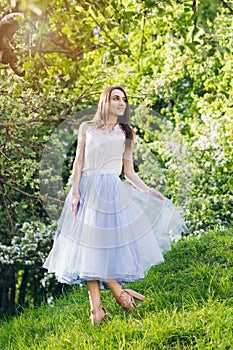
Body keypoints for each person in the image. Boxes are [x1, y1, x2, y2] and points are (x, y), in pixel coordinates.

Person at [43, 86, 186, 326]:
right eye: (116, 98)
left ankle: (99, 309)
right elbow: (78, 163)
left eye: (124, 99)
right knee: (90, 248)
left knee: (101, 249)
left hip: (112, 192)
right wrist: (76, 192)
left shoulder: (126, 133)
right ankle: (111, 301)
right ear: (105, 102)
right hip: (87, 190)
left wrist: (149, 191)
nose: (122, 103)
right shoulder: (87, 128)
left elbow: (128, 172)